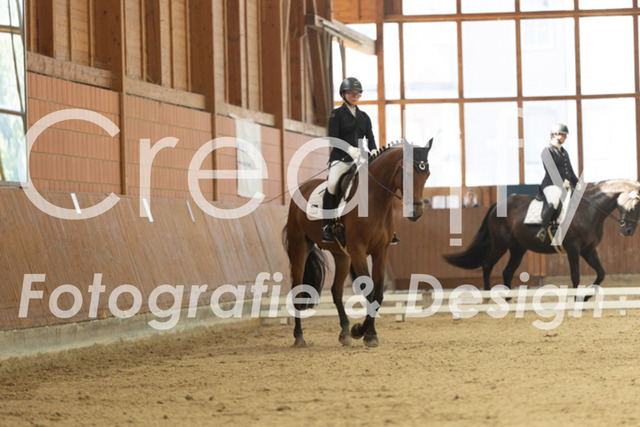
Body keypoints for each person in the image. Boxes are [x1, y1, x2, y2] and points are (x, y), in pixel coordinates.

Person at [322, 77, 378, 243]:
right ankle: (327, 225)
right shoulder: (336, 114)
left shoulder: (364, 117)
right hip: (341, 158)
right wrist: (349, 149)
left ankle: (384, 226)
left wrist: (374, 149)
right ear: (343, 94)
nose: (355, 96)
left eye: (357, 93)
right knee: (332, 184)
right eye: (351, 93)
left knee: (377, 184)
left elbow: (370, 137)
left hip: (361, 158)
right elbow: (333, 139)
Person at [535, 123, 579, 242]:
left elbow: (570, 171)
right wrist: (562, 183)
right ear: (555, 135)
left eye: (565, 135)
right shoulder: (547, 151)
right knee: (554, 202)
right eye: (563, 135)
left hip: (565, 185)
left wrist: (578, 184)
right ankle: (543, 229)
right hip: (550, 184)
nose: (565, 137)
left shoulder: (564, 152)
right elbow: (551, 170)